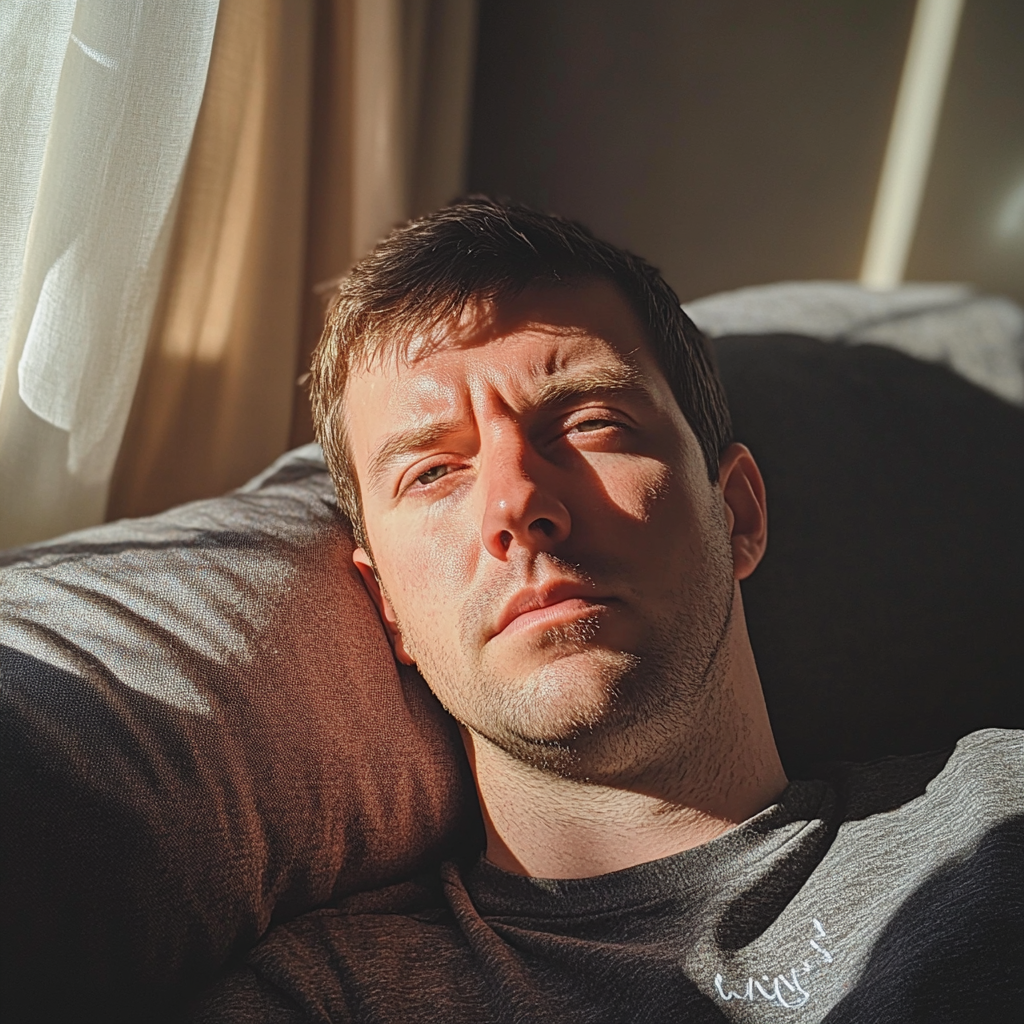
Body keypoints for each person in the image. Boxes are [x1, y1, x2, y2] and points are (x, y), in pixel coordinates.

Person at [188, 198, 1023, 1022]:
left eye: (588, 422)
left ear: (736, 512)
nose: (515, 503)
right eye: (434, 473)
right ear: (388, 607)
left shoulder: (1002, 819)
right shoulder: (326, 1002)